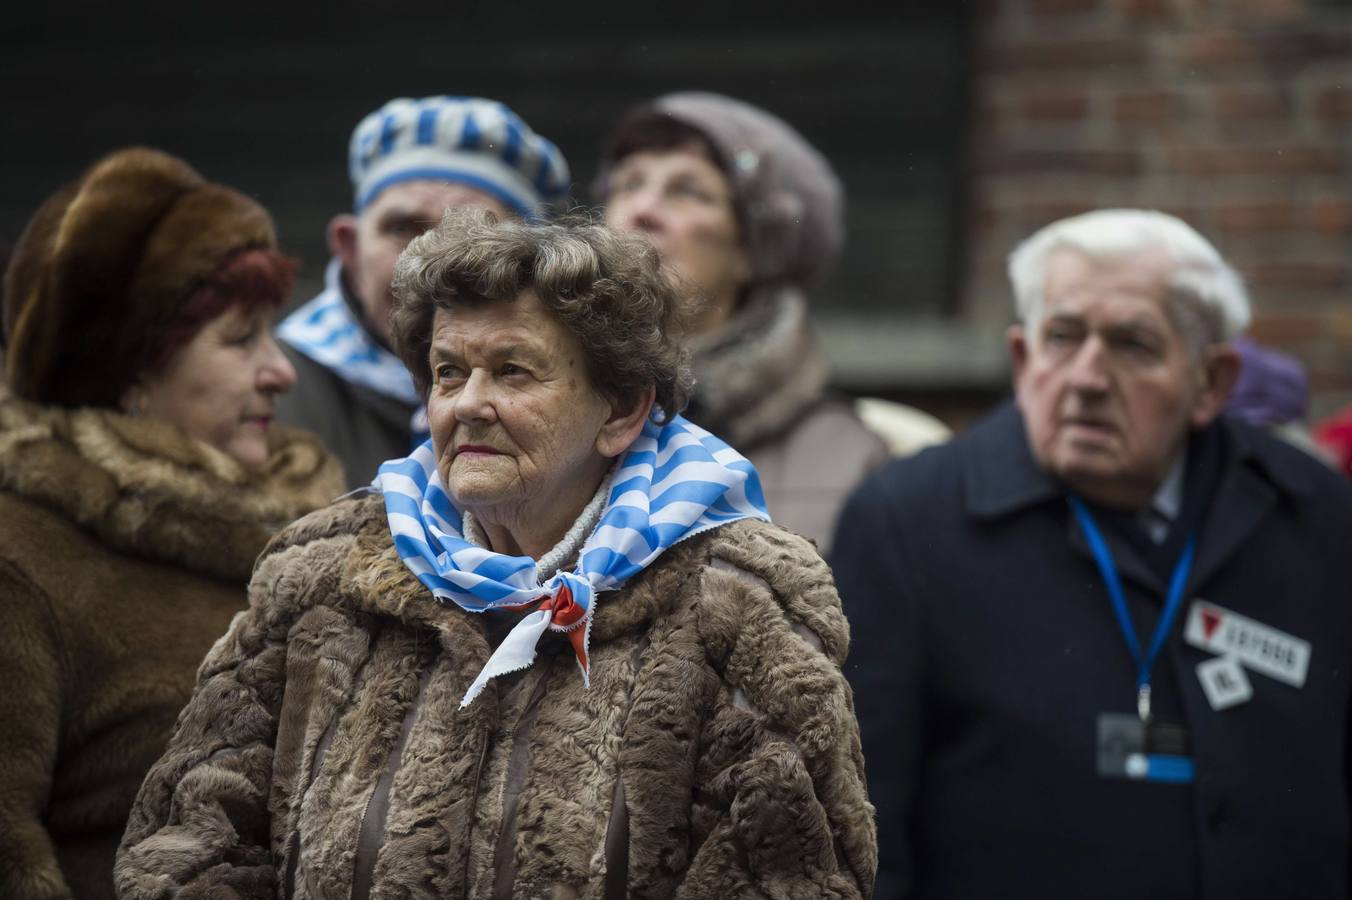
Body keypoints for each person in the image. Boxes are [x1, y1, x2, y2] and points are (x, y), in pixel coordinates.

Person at [117, 209, 876, 898]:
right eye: (449, 372)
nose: (468, 402)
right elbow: (188, 843)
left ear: (621, 409)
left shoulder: (739, 603)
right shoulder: (319, 576)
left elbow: (790, 879)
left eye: (513, 370)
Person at [834, 209, 1352, 899]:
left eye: (1133, 345)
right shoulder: (907, 521)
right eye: (1063, 337)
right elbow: (859, 828)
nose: (1086, 377)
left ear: (1211, 383)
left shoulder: (1315, 517)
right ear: (1023, 362)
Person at [0, 148, 342, 900]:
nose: (281, 370)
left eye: (271, 331)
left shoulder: (332, 541)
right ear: (132, 370)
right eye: (239, 337)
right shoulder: (21, 556)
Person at [597, 91, 944, 552]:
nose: (640, 209)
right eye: (628, 184)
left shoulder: (853, 460)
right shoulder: (533, 412)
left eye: (687, 191)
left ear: (752, 253)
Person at [276, 95, 571, 489]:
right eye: (403, 229)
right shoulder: (272, 388)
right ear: (350, 247)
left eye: (471, 233)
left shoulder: (579, 388)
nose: (429, 262)